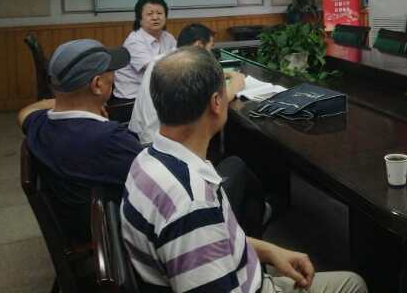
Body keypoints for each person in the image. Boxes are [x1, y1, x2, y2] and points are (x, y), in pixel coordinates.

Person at [122, 47, 368, 293]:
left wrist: (269, 251)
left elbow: (213, 238)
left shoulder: (145, 161)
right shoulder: (193, 203)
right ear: (217, 103)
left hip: (239, 271)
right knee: (354, 285)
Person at [18, 39, 143, 243]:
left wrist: (65, 100)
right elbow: (156, 177)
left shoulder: (40, 126)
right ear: (97, 84)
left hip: (76, 224)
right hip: (109, 233)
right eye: (111, 71)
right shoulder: (111, 140)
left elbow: (25, 112)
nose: (115, 76)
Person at [112, 0, 177, 100]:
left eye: (159, 13)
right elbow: (155, 69)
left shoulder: (168, 37)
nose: (155, 17)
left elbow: (179, 59)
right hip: (131, 99)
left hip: (154, 95)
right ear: (140, 19)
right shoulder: (134, 41)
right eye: (150, 14)